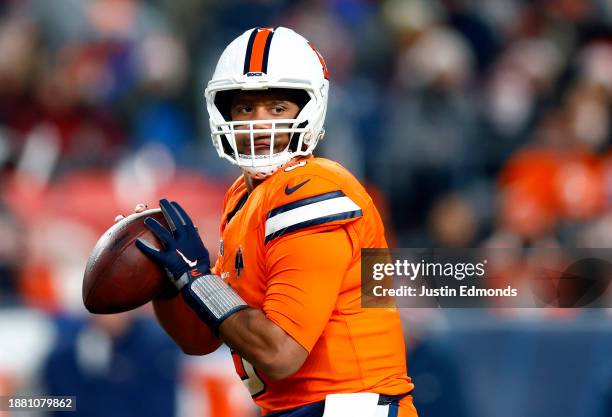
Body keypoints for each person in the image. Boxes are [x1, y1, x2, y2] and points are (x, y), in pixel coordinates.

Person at [132, 27, 417, 417]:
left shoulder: (312, 189)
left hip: (353, 407)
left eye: (277, 108)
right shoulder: (243, 196)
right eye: (246, 108)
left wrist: (199, 281)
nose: (259, 123)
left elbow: (280, 354)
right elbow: (200, 337)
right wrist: (171, 283)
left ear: (308, 110)